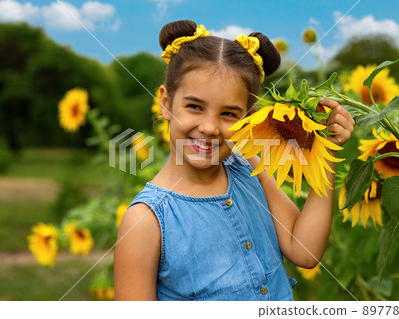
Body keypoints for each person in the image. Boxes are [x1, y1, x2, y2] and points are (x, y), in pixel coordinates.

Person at [114, 20, 355, 301]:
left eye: (229, 113)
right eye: (194, 107)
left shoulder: (248, 168)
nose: (209, 127)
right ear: (166, 103)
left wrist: (326, 151)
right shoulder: (146, 221)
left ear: (249, 117)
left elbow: (305, 250)